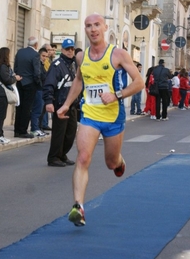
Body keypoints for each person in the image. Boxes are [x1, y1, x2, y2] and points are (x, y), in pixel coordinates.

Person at [57, 14, 144, 226]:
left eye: (97, 25)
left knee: (110, 163)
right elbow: (79, 80)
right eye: (88, 26)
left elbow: (139, 82)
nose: (93, 29)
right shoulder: (81, 57)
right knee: (83, 157)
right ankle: (78, 207)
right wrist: (67, 103)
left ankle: (119, 161)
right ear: (85, 30)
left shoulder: (118, 54)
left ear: (104, 28)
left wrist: (117, 95)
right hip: (90, 115)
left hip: (113, 116)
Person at [43, 38, 77, 167]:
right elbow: (49, 84)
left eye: (72, 49)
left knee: (70, 133)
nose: (70, 51)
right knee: (59, 133)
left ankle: (62, 154)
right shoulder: (57, 65)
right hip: (60, 104)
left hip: (72, 105)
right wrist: (48, 101)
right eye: (67, 49)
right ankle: (53, 157)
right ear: (62, 50)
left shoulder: (73, 65)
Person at [0, 47, 21, 144]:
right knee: (1, 115)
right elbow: (7, 80)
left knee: (1, 115)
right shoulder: (3, 66)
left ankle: (0, 134)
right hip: (2, 93)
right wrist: (15, 78)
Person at [13, 36, 41, 138]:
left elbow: (15, 67)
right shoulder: (35, 55)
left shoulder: (20, 52)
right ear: (36, 44)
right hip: (30, 83)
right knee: (27, 108)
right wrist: (38, 84)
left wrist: (18, 76)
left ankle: (16, 130)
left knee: (19, 107)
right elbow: (36, 72)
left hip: (20, 82)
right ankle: (23, 130)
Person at [38, 47, 51, 132]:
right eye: (43, 56)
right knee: (39, 111)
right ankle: (38, 127)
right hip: (39, 89)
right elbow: (40, 76)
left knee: (42, 110)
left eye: (46, 56)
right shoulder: (38, 64)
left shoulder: (43, 64)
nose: (45, 58)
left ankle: (41, 127)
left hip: (43, 89)